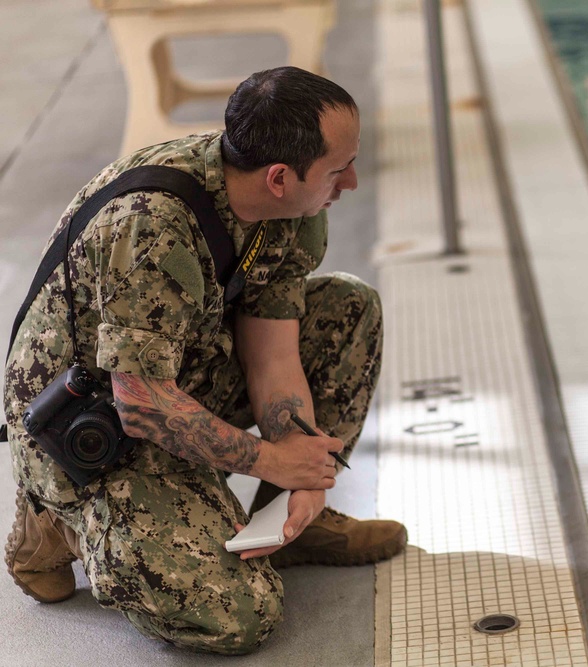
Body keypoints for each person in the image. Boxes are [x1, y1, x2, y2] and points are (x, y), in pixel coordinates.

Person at [3, 66, 406, 654]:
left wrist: (303, 471)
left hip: (176, 373)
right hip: (86, 431)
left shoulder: (289, 211)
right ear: (278, 176)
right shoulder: (152, 225)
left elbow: (272, 354)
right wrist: (270, 457)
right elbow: (140, 406)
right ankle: (55, 521)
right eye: (338, 169)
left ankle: (292, 528)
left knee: (347, 308)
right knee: (239, 614)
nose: (350, 182)